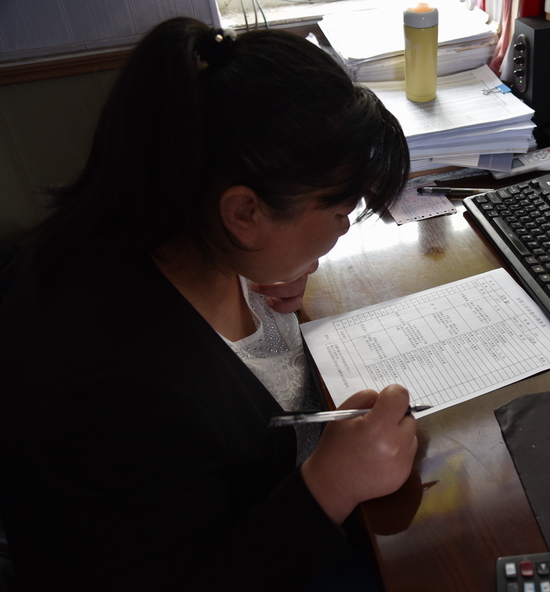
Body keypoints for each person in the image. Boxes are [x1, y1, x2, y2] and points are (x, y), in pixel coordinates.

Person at [0, 16, 418, 591]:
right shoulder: (113, 392)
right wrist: (329, 486)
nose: (344, 228)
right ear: (245, 214)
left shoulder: (173, 229)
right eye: (340, 210)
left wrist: (271, 271)